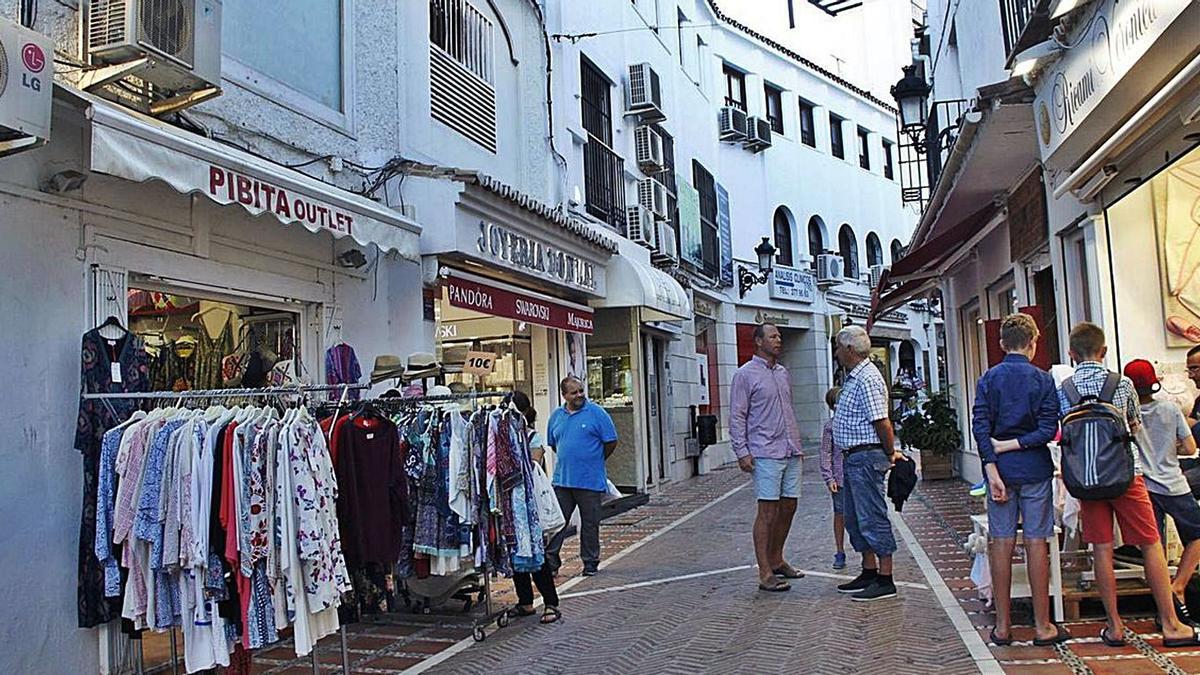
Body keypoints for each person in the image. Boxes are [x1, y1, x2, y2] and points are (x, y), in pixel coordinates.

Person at [1059, 323, 1199, 648]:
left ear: (1071, 353)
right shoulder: (1120, 384)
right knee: (1150, 543)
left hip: (1086, 479)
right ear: (1104, 351)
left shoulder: (1064, 388)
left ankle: (1114, 626)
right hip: (1126, 475)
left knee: (1102, 549)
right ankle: (1170, 623)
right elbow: (1134, 426)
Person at [970, 314, 1069, 646]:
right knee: (1036, 542)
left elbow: (980, 426)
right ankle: (1043, 625)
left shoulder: (989, 379)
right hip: (1035, 469)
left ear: (1001, 344)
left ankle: (1002, 625)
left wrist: (991, 466)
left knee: (1001, 543)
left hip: (1001, 471)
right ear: (1033, 342)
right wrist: (1018, 443)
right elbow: (1047, 430)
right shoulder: (1042, 381)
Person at [831, 325, 909, 602]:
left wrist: (890, 452)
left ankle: (885, 578)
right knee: (854, 516)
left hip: (866, 456)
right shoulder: (855, 376)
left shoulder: (867, 378)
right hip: (854, 456)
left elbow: (881, 420)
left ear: (849, 349)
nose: (837, 352)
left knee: (871, 515)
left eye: (839, 347)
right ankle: (869, 570)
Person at [730, 323, 806, 591]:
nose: (778, 340)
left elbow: (788, 410)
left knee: (789, 507)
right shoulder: (744, 375)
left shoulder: (783, 373)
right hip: (764, 452)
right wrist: (742, 451)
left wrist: (796, 443)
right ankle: (764, 572)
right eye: (773, 336)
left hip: (789, 450)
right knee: (767, 512)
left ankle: (777, 558)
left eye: (780, 336)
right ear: (759, 342)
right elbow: (737, 415)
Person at [1124, 358, 1200, 625]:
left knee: (1152, 547)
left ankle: (1163, 607)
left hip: (1142, 487)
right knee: (1197, 533)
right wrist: (1171, 448)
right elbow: (1190, 449)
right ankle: (1178, 586)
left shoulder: (1126, 416)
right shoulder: (1169, 410)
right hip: (1173, 483)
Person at [545, 376, 618, 577]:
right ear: (564, 395)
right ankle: (551, 562)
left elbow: (611, 441)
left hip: (590, 480)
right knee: (557, 523)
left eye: (580, 391)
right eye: (574, 392)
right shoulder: (556, 416)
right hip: (563, 480)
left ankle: (590, 562)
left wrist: (595, 460)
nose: (579, 395)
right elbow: (553, 443)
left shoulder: (597, 413)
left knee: (590, 523)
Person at [507, 392, 561, 624]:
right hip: (511, 504)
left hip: (530, 505)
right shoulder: (504, 436)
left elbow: (533, 466)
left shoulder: (532, 438)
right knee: (516, 554)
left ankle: (551, 602)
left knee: (536, 555)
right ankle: (525, 602)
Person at [818, 387, 847, 570]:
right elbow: (826, 453)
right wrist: (829, 478)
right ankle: (840, 550)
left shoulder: (854, 423)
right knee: (840, 514)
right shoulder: (830, 426)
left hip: (855, 476)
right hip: (840, 477)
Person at [1186, 346, 1200, 444]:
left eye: (1194, 368)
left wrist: (1195, 425)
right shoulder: (1199, 401)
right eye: (1189, 370)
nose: (1190, 376)